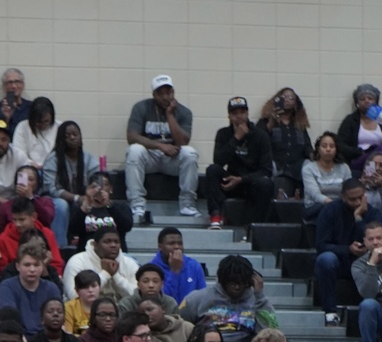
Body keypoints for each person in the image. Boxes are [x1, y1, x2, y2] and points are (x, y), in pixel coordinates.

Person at [179, 254, 280, 342]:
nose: (237, 287)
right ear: (223, 280)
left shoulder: (256, 300)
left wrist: (259, 296)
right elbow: (179, 327)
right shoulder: (197, 299)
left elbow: (271, 332)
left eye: (241, 283)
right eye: (232, 283)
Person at [125, 74, 199, 220]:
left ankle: (187, 204)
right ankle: (137, 205)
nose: (166, 97)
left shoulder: (184, 112)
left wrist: (170, 114)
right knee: (134, 150)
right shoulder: (141, 108)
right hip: (150, 157)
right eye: (161, 93)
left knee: (190, 153)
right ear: (154, 95)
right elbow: (132, 137)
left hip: (171, 159)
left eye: (169, 92)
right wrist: (159, 146)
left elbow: (183, 142)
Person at [314, 178, 381, 327]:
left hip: (366, 260)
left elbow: (378, 242)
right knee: (325, 259)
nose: (357, 202)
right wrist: (347, 249)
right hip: (339, 261)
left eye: (360, 197)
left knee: (379, 256)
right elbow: (321, 245)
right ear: (343, 197)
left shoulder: (373, 213)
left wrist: (358, 218)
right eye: (352, 199)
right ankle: (330, 313)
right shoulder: (330, 211)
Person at [206, 97, 273, 229]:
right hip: (230, 182)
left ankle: (255, 226)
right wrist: (236, 138)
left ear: (247, 114)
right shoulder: (223, 133)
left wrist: (241, 179)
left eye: (242, 112)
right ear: (229, 116)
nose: (239, 117)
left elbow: (266, 170)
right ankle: (215, 216)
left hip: (251, 182)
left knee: (266, 184)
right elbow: (218, 161)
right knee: (212, 170)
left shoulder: (261, 136)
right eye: (234, 113)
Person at [41, 120, 100, 248]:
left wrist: (89, 196)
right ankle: (60, 248)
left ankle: (90, 244)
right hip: (56, 200)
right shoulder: (53, 160)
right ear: (61, 139)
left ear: (80, 137)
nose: (72, 138)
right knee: (62, 206)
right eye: (67, 136)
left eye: (75, 134)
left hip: (84, 200)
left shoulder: (89, 159)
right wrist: (77, 198)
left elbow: (97, 181)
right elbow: (52, 189)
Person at [0, 239, 62, 338]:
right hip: (19, 338)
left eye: (36, 265)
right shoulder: (7, 287)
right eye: (27, 265)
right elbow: (9, 321)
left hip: (46, 339)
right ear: (18, 266)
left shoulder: (52, 288)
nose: (32, 270)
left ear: (42, 266)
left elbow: (58, 321)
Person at [337, 83, 382, 181]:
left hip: (381, 158)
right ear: (357, 103)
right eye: (362, 99)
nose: (366, 101)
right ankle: (372, 180)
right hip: (359, 158)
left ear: (376, 101)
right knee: (380, 150)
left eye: (370, 98)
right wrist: (360, 152)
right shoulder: (350, 121)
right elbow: (341, 145)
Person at [259, 87, 312, 198]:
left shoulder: (299, 125)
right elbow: (258, 143)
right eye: (284, 97)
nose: (287, 100)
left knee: (310, 167)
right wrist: (270, 125)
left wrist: (315, 157)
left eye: (291, 98)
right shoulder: (266, 121)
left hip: (297, 167)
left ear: (296, 103)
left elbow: (307, 147)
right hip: (275, 165)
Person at [63, 227, 139, 302]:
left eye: (116, 242)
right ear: (95, 245)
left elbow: (139, 296)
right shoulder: (77, 261)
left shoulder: (129, 263)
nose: (113, 245)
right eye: (107, 242)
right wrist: (105, 274)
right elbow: (74, 297)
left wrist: (116, 277)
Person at [0, 195, 62, 274]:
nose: (17, 224)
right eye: (14, 219)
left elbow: (57, 265)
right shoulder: (4, 239)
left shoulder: (47, 234)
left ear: (34, 217)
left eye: (22, 219)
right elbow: (3, 270)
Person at [68, 171, 133, 251]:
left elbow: (126, 226)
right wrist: (86, 205)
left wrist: (109, 205)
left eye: (105, 184)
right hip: (87, 254)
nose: (100, 188)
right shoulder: (80, 208)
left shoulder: (121, 207)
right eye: (95, 185)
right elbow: (74, 230)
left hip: (116, 253)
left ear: (111, 188)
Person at [301, 131, 351, 221]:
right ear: (318, 149)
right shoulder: (308, 169)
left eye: (332, 146)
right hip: (315, 208)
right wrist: (334, 205)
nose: (328, 149)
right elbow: (315, 195)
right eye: (324, 146)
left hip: (339, 207)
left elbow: (349, 190)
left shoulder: (344, 168)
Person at [150, 227, 206, 304]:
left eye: (180, 243)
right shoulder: (151, 268)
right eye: (171, 243)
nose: (177, 247)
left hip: (190, 314)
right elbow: (161, 301)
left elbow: (203, 297)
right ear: (160, 247)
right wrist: (174, 271)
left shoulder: (194, 266)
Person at [0, 164, 54, 230]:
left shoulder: (45, 201)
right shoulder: (5, 206)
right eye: (23, 179)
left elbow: (48, 219)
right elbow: (2, 231)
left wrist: (31, 197)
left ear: (37, 183)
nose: (26, 182)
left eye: (30, 179)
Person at [0, 69, 31, 136]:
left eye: (17, 82)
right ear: (4, 87)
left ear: (23, 85)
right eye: (10, 82)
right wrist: (6, 119)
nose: (14, 86)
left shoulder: (31, 107)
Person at [64, 269, 101, 335]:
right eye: (85, 287)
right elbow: (68, 336)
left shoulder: (106, 307)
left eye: (93, 286)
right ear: (77, 291)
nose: (90, 290)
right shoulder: (69, 308)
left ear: (100, 287)